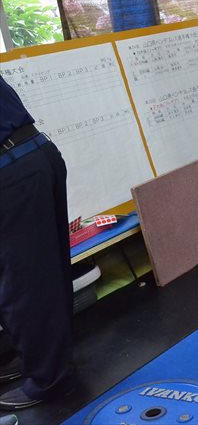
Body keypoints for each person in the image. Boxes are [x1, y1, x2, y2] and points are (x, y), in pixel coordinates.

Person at [0, 75, 74, 411]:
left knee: (23, 286)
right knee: (46, 273)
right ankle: (40, 356)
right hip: (35, 152)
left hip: (11, 172)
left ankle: (49, 377)